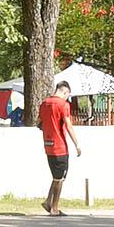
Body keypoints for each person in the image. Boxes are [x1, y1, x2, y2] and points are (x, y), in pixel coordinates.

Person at [36, 77, 78, 215]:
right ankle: (54, 208)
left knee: (55, 176)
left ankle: (48, 201)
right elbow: (68, 125)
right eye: (68, 95)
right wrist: (77, 144)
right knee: (60, 178)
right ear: (65, 92)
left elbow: (38, 123)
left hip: (48, 145)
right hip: (60, 146)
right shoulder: (63, 105)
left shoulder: (44, 103)